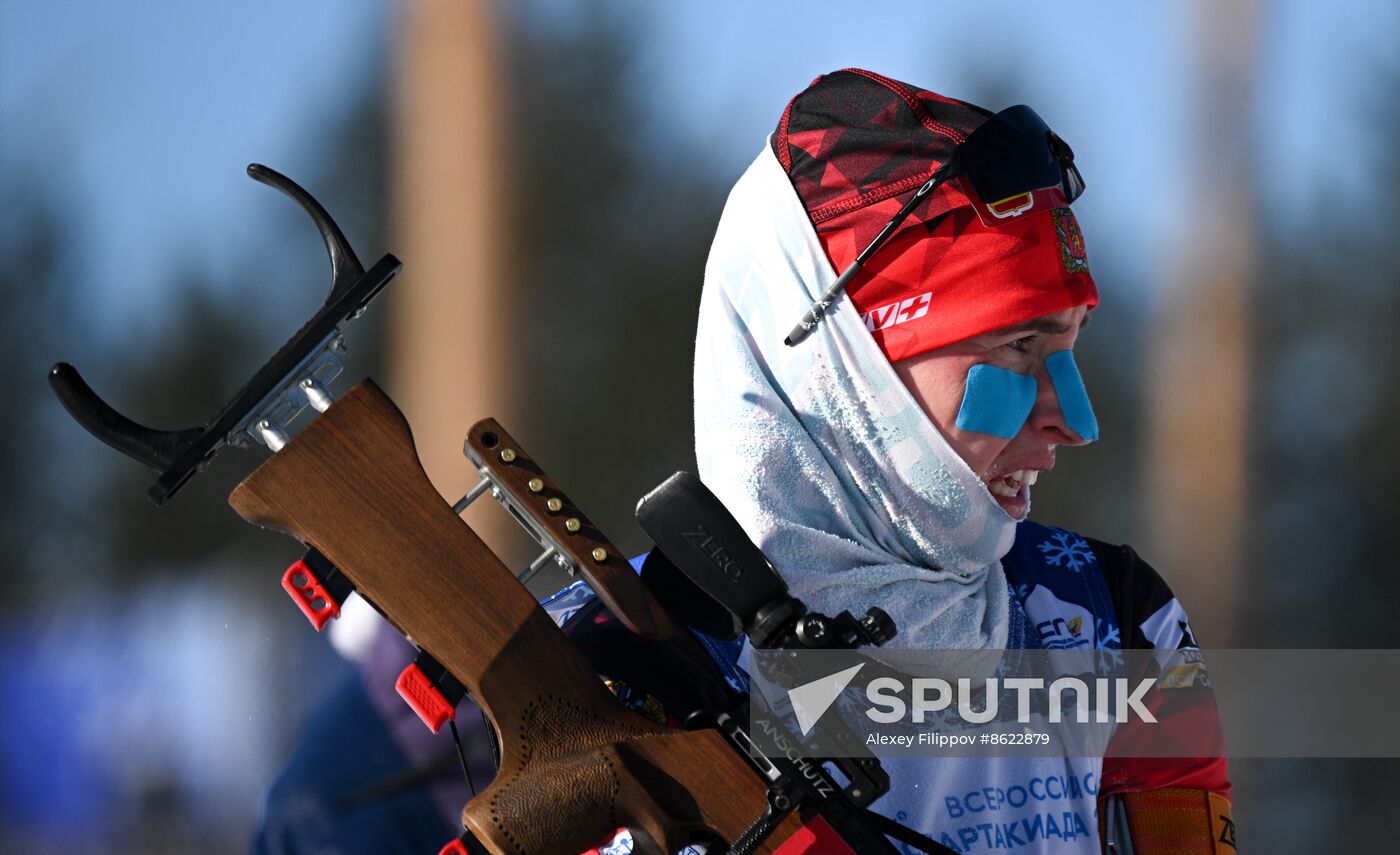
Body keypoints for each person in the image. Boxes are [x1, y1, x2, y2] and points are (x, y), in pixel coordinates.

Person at [687, 68, 1233, 853]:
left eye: (1069, 345)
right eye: (1018, 345)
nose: (1072, 420)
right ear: (844, 366)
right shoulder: (620, 653)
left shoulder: (1111, 617)